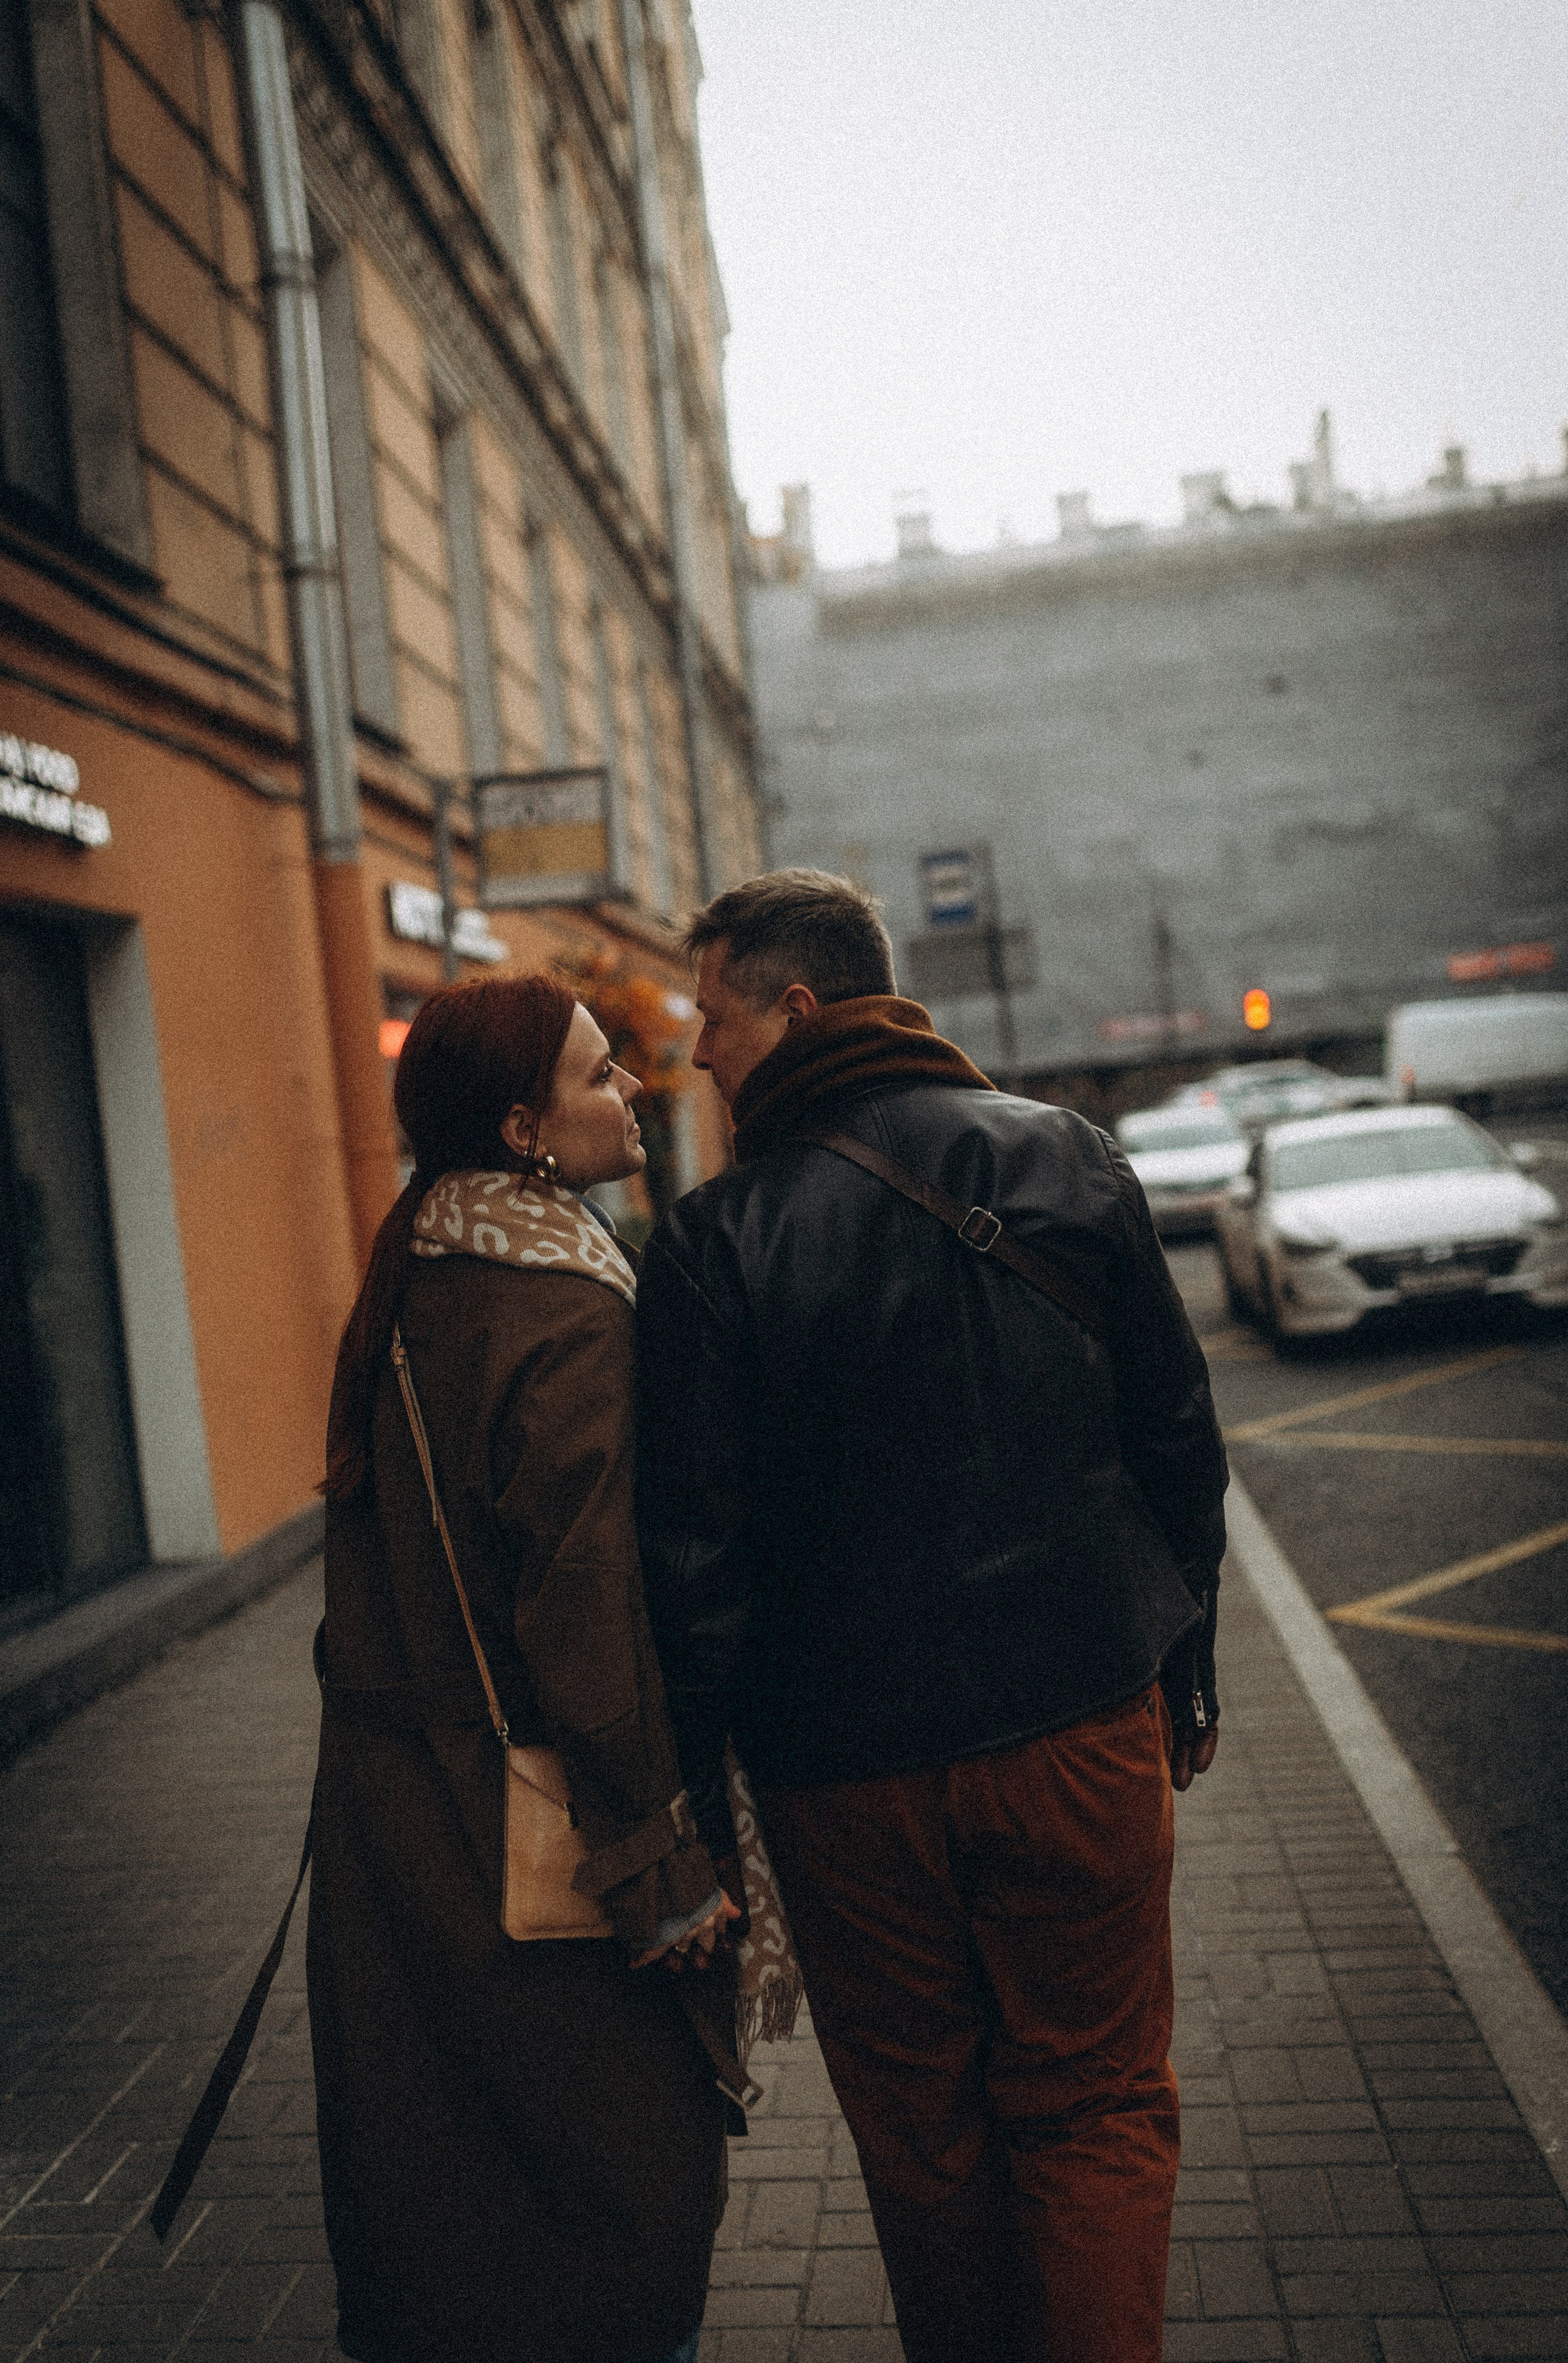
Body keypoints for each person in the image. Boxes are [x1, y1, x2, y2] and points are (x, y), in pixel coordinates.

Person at [634, 871, 1229, 2363]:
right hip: (1080, 1720)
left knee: (922, 2126)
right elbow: (1173, 1435)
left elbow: (692, 1564)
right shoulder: (1066, 1155)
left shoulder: (711, 1242)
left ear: (797, 1010)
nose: (695, 1052)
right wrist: (1186, 1662)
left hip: (845, 1779)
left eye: (711, 1018)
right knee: (1094, 2100)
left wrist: (698, 1810)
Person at [310, 972, 740, 2363]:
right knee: (621, 2194)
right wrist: (662, 1873)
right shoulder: (562, 1309)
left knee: (445, 2204)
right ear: (522, 1128)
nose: (631, 1091)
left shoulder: (414, 1274)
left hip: (392, 1823)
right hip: (542, 1825)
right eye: (599, 1074)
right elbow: (586, 1616)